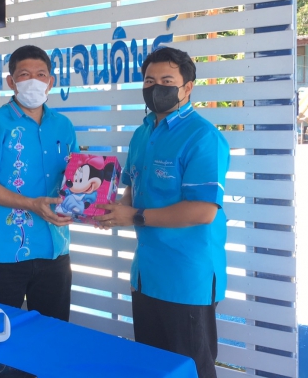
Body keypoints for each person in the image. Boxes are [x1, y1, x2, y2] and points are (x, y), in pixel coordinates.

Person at [94, 46, 230, 378]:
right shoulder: (142, 134)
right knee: (153, 368)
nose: (157, 88)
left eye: (167, 81)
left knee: (190, 370)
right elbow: (132, 191)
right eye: (149, 81)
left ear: (187, 87)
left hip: (186, 278)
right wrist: (108, 210)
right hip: (146, 275)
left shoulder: (203, 137)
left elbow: (203, 211)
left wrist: (134, 216)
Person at [0, 44, 78, 321]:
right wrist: (30, 204)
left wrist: (90, 202)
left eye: (41, 75)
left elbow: (74, 177)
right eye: (25, 75)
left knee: (53, 334)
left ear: (50, 82)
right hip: (3, 251)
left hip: (54, 249)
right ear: (11, 81)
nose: (34, 81)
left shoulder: (64, 126)